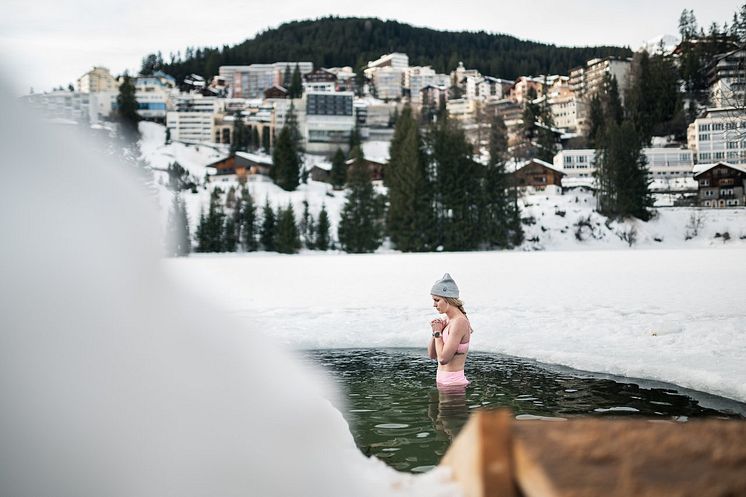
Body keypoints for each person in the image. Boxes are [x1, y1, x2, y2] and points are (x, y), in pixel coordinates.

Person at [427, 273, 472, 388]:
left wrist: (438, 334)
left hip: (454, 385)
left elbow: (443, 359)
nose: (434, 304)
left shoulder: (459, 322)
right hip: (443, 384)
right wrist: (435, 332)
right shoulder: (447, 320)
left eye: (437, 300)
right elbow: (432, 355)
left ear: (448, 299)